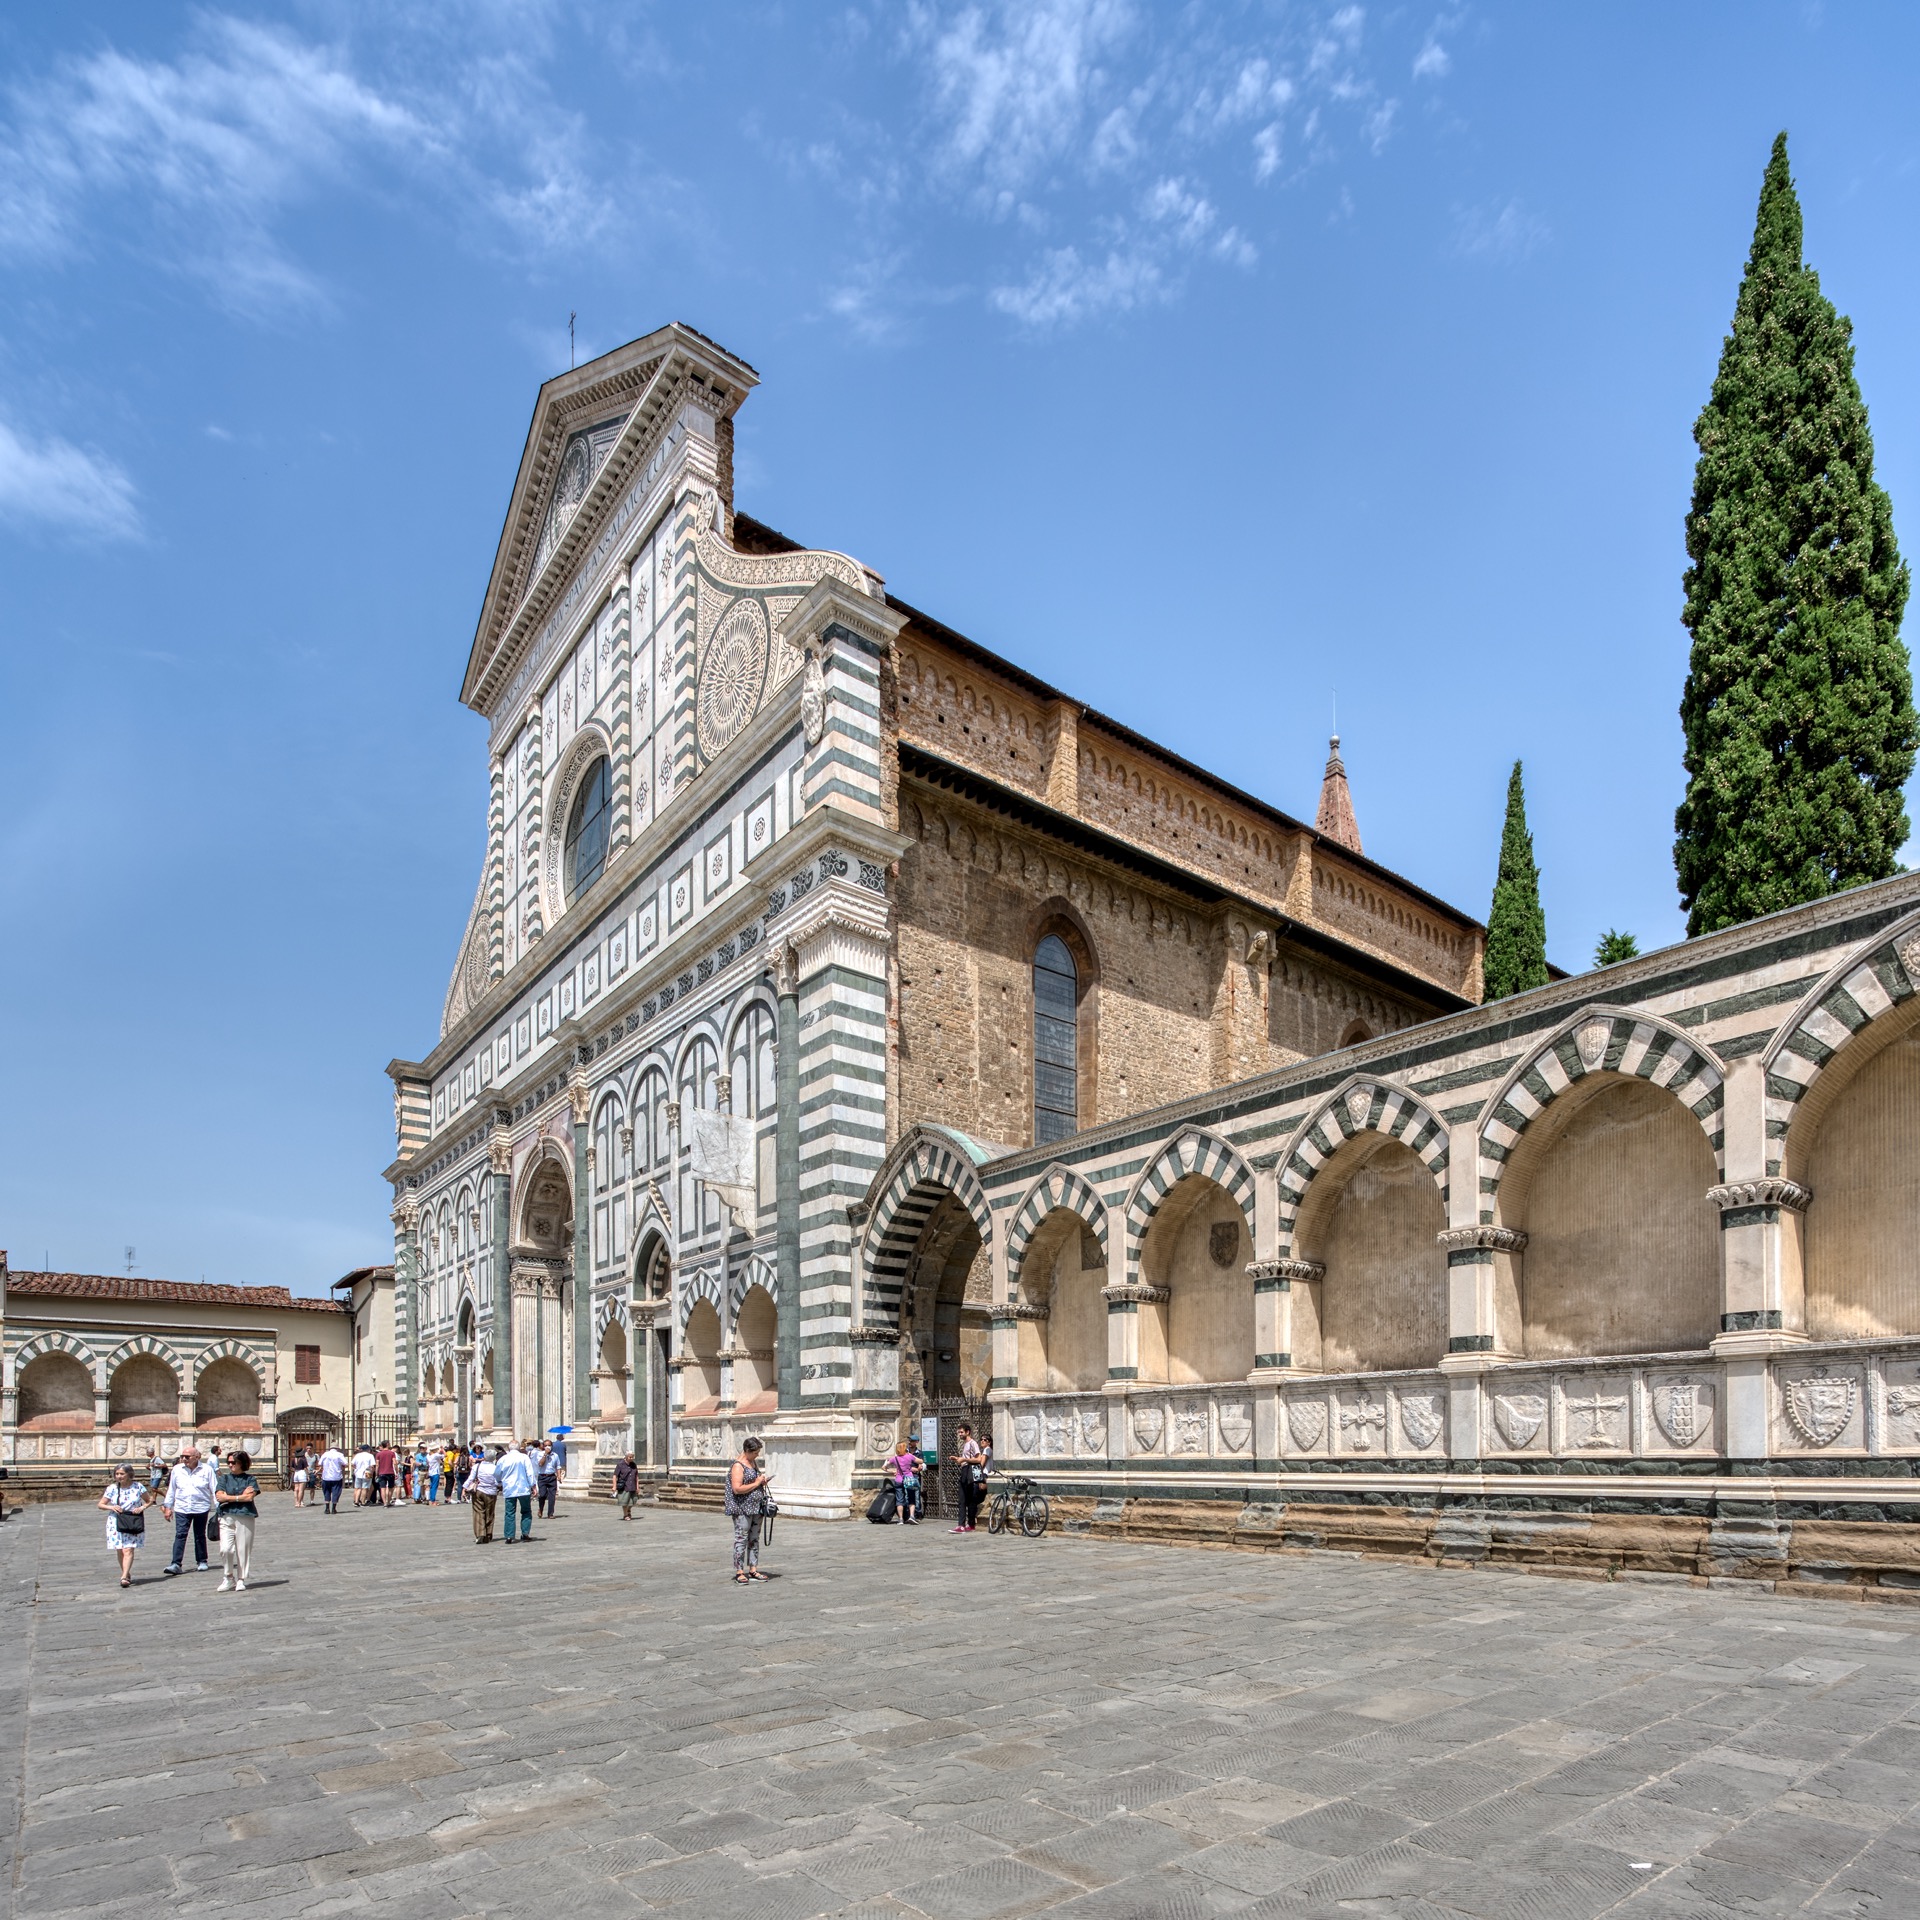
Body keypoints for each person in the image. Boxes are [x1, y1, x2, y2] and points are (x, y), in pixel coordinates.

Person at [162, 1445, 217, 1574]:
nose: (184, 1459)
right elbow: (172, 1489)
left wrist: (219, 1507)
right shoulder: (177, 1469)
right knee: (180, 1535)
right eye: (182, 1456)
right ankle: (176, 1563)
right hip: (182, 1507)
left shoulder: (207, 1470)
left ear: (196, 1457)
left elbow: (214, 1489)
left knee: (199, 1535)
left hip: (200, 1507)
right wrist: (168, 1507)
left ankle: (202, 1560)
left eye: (187, 1457)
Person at [725, 1436, 773, 1584]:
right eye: (755, 1452)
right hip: (742, 1509)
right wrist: (757, 1482)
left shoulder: (752, 1463)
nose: (757, 1455)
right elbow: (737, 1488)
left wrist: (762, 1482)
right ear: (747, 1451)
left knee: (754, 1539)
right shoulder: (738, 1466)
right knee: (741, 1538)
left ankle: (753, 1568)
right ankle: (739, 1571)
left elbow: (754, 1481)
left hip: (756, 1508)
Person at [214, 1449, 261, 1591]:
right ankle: (228, 1577)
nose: (230, 1465)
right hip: (226, 1516)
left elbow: (249, 1497)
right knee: (225, 1549)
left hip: (245, 1516)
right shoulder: (223, 1479)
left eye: (233, 1462)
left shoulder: (250, 1479)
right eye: (228, 1462)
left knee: (243, 1549)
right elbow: (219, 1496)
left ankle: (241, 1579)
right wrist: (240, 1497)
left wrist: (229, 1497)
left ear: (241, 1463)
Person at [99, 1464, 149, 1588]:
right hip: (116, 1520)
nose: (119, 1476)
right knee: (120, 1549)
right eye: (117, 1474)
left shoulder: (138, 1487)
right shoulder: (112, 1488)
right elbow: (100, 1504)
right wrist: (111, 1507)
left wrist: (141, 1507)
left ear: (129, 1474)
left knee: (128, 1549)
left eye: (122, 1474)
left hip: (132, 1519)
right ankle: (126, 1572)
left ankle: (124, 1576)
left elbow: (149, 1500)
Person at [498, 1440, 535, 1542]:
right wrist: (533, 1485)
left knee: (510, 1512)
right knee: (526, 1511)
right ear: (518, 1448)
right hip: (523, 1488)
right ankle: (525, 1533)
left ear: (509, 1448)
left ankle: (509, 1535)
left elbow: (497, 1473)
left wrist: (499, 1482)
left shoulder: (503, 1459)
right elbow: (530, 1473)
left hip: (509, 1489)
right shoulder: (524, 1458)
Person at [952, 1423, 985, 1534]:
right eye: (959, 1432)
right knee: (962, 1499)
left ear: (967, 1432)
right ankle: (962, 1524)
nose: (959, 1434)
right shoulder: (965, 1444)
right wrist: (958, 1459)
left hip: (970, 1472)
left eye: (961, 1432)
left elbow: (978, 1459)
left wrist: (964, 1460)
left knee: (969, 1499)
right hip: (964, 1471)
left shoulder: (972, 1443)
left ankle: (969, 1524)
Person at [469, 1446, 501, 1544]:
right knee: (489, 1513)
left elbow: (470, 1478)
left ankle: (480, 1534)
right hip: (491, 1492)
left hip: (479, 1491)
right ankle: (488, 1534)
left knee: (478, 1512)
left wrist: (465, 1488)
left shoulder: (477, 1466)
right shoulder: (496, 1468)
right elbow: (498, 1482)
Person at [887, 1438, 922, 1525]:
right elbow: (921, 1461)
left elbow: (884, 1467)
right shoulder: (909, 1456)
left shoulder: (894, 1458)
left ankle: (901, 1519)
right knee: (911, 1498)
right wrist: (910, 1454)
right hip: (909, 1479)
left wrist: (891, 1471)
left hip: (898, 1480)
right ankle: (912, 1516)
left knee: (899, 1500)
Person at [317, 1440, 347, 1514]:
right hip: (336, 1476)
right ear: (337, 1448)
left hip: (326, 1476)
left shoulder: (325, 1454)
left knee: (326, 1491)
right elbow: (345, 1463)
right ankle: (334, 1508)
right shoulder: (339, 1455)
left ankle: (327, 1508)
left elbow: (320, 1463)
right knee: (336, 1491)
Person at [535, 1440, 559, 1520]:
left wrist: (559, 1476)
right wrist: (545, 1454)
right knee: (542, 1495)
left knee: (552, 1496)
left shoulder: (555, 1455)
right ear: (543, 1446)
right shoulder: (539, 1454)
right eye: (545, 1445)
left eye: (549, 1445)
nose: (547, 1447)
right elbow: (540, 1464)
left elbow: (558, 1466)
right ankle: (541, 1509)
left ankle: (550, 1513)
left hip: (552, 1476)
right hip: (542, 1477)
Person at [614, 1452, 639, 1520]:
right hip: (624, 1486)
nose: (631, 1459)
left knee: (634, 1500)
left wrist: (637, 1486)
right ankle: (626, 1515)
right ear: (626, 1457)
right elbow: (615, 1475)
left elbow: (636, 1476)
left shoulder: (634, 1465)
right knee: (624, 1501)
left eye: (632, 1457)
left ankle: (628, 1510)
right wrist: (614, 1486)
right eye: (630, 1457)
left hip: (632, 1485)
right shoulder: (620, 1464)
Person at [374, 1442, 398, 1508]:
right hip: (390, 1472)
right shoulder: (391, 1453)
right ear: (387, 1445)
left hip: (381, 1473)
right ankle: (388, 1501)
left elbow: (377, 1465)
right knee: (390, 1488)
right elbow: (395, 1463)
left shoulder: (378, 1454)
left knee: (382, 1488)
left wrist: (376, 1473)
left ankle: (384, 1503)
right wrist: (397, 1471)